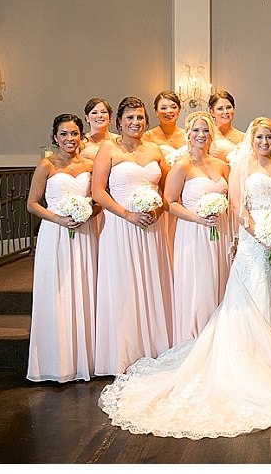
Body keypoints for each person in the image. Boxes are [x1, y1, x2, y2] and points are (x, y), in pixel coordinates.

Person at [99, 117, 271, 439]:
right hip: (245, 239)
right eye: (259, 136)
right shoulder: (234, 166)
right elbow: (236, 206)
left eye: (269, 136)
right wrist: (259, 233)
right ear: (251, 140)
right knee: (246, 298)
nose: (264, 141)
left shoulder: (254, 165)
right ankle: (248, 356)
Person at [92, 96, 174, 376]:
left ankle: (152, 347)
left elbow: (168, 191)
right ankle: (124, 352)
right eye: (130, 118)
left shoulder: (154, 149)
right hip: (121, 227)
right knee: (125, 285)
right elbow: (98, 192)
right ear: (119, 122)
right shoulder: (108, 149)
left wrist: (158, 212)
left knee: (151, 282)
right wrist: (127, 215)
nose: (135, 123)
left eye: (140, 118)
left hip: (151, 229)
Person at [26, 113, 101, 382]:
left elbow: (100, 199)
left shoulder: (91, 165)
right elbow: (32, 203)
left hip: (84, 233)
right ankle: (56, 361)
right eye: (64, 134)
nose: (69, 139)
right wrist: (59, 218)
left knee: (84, 289)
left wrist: (87, 215)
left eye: (74, 134)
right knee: (57, 292)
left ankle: (87, 359)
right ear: (55, 137)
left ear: (81, 136)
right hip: (55, 234)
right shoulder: (46, 165)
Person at [164, 111, 232, 347]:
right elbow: (169, 203)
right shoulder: (181, 166)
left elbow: (232, 200)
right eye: (196, 131)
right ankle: (197, 338)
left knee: (220, 280)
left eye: (205, 130)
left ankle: (220, 337)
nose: (201, 135)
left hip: (220, 232)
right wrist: (197, 218)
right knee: (200, 285)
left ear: (212, 135)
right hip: (194, 233)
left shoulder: (222, 166)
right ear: (188, 135)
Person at [143, 90, 186, 256]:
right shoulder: (147, 136)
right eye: (163, 107)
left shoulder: (188, 135)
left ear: (179, 110)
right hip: (160, 193)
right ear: (155, 111)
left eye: (173, 107)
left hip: (183, 193)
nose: (169, 112)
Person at [208, 90, 245, 162]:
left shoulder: (243, 137)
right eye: (220, 109)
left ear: (233, 110)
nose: (225, 112)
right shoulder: (207, 135)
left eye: (228, 107)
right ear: (212, 112)